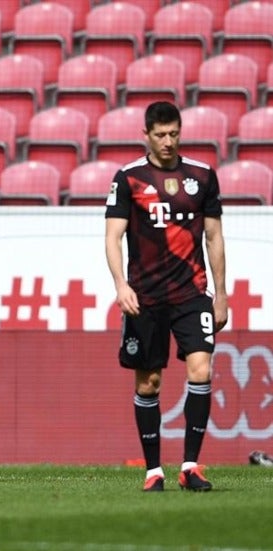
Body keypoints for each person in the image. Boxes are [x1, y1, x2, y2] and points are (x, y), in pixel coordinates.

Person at [105, 101, 228, 492]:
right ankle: (153, 471)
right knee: (149, 383)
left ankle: (190, 466)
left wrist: (221, 294)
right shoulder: (128, 178)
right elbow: (113, 236)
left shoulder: (202, 176)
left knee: (201, 370)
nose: (168, 141)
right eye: (160, 134)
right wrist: (120, 285)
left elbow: (214, 237)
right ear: (146, 135)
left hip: (192, 292)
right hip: (146, 296)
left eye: (174, 133)